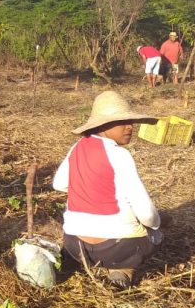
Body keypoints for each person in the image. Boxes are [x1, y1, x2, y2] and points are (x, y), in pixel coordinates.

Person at [52, 91, 163, 288]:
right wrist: (157, 224)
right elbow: (147, 214)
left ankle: (75, 261)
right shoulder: (120, 155)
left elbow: (58, 184)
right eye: (122, 122)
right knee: (156, 234)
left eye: (130, 122)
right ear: (102, 126)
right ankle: (122, 270)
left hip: (74, 244)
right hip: (117, 249)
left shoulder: (77, 148)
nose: (129, 127)